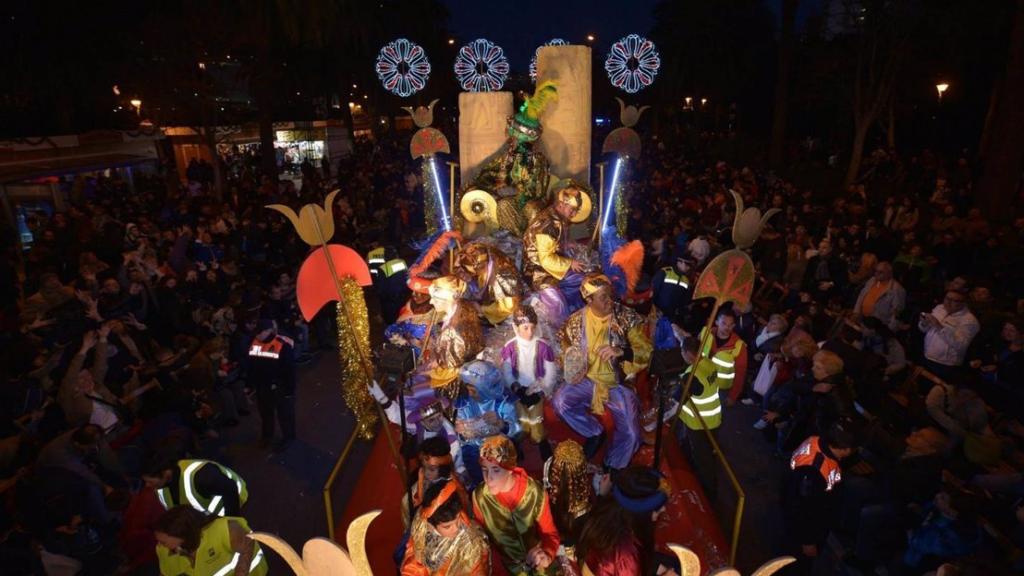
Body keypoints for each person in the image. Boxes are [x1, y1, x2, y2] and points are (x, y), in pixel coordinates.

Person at [552, 274, 652, 470]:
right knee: (560, 402)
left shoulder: (626, 318)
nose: (609, 301)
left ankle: (612, 466)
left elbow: (647, 352)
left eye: (609, 295)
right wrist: (570, 361)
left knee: (631, 433)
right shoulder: (574, 322)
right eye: (603, 297)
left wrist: (622, 351)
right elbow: (563, 349)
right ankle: (594, 432)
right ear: (588, 300)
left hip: (617, 384)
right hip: (587, 380)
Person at [471, 435, 560, 575]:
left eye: (496, 470)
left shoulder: (534, 493)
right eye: (484, 469)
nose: (488, 478)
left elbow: (549, 533)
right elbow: (484, 542)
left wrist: (547, 555)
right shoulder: (480, 497)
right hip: (506, 569)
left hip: (539, 566)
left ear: (510, 468)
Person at [782, 423, 857, 574]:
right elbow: (803, 508)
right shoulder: (814, 471)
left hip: (798, 509)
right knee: (797, 565)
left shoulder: (815, 440)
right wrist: (808, 541)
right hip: (804, 531)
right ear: (846, 449)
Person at [575, 467, 679, 576]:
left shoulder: (610, 509)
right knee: (676, 567)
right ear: (642, 514)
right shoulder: (627, 555)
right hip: (617, 565)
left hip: (610, 561)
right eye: (657, 508)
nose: (663, 510)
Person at [522, 186, 592, 325]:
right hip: (538, 271)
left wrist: (567, 245)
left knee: (585, 281)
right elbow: (546, 259)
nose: (573, 214)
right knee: (557, 303)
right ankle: (561, 330)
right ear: (561, 205)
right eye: (572, 210)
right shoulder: (548, 223)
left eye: (575, 211)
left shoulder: (557, 217)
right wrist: (570, 263)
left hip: (552, 266)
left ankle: (580, 317)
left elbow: (553, 244)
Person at [500, 304, 558, 462]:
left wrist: (542, 391)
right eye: (525, 328)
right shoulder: (509, 347)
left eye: (532, 327)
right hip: (517, 392)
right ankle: (516, 445)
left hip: (536, 390)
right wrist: (516, 389)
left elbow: (550, 373)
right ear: (515, 327)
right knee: (521, 425)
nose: (529, 332)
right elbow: (506, 372)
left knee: (536, 425)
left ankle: (542, 443)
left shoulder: (543, 346)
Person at [402, 479, 491, 576]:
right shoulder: (422, 520)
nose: (456, 528)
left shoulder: (472, 543)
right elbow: (414, 562)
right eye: (447, 527)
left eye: (457, 519)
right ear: (430, 525)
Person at [676, 336, 728, 499]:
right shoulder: (708, 363)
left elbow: (677, 399)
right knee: (701, 451)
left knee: (703, 459)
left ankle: (708, 496)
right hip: (714, 419)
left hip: (698, 424)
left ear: (686, 353)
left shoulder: (692, 376)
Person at [153, 506, 268, 576]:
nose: (160, 545)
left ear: (182, 535)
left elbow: (248, 543)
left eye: (163, 541)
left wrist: (241, 572)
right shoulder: (164, 551)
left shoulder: (224, 530)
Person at [245, 318, 297, 451]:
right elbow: (251, 365)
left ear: (268, 331)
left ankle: (288, 437)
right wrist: (250, 383)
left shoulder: (281, 345)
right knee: (265, 414)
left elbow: (289, 369)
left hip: (278, 386)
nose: (257, 335)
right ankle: (267, 436)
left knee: (284, 415)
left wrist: (289, 390)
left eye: (260, 332)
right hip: (262, 387)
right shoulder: (255, 342)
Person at [142, 457, 248, 517]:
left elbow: (230, 489)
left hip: (237, 506)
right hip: (212, 521)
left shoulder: (201, 477)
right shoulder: (160, 489)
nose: (148, 485)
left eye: (150, 481)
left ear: (166, 473)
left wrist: (231, 520)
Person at [918, 289, 980, 379]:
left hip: (945, 365)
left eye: (953, 300)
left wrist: (939, 326)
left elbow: (960, 345)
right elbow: (924, 330)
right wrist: (923, 323)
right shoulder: (939, 308)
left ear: (963, 303)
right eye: (947, 298)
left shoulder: (969, 321)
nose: (948, 302)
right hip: (927, 356)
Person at [694, 308, 749, 407]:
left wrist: (732, 396)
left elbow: (740, 374)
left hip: (720, 389)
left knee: (714, 414)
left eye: (730, 325)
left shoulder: (739, 346)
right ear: (716, 322)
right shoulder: (705, 333)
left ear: (734, 326)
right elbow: (695, 354)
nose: (727, 327)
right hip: (700, 379)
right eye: (723, 323)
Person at [853, 261, 907, 330]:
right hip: (862, 319)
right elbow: (861, 295)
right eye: (876, 271)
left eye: (881, 272)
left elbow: (896, 314)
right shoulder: (872, 280)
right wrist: (856, 312)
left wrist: (888, 331)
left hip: (878, 327)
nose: (876, 274)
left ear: (889, 273)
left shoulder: (897, 290)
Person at [650, 253, 695, 325]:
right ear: (679, 262)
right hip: (656, 312)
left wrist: (681, 311)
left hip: (670, 317)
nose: (688, 268)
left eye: (689, 265)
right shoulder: (665, 272)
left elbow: (684, 300)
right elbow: (653, 290)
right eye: (687, 264)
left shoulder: (686, 281)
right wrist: (653, 308)